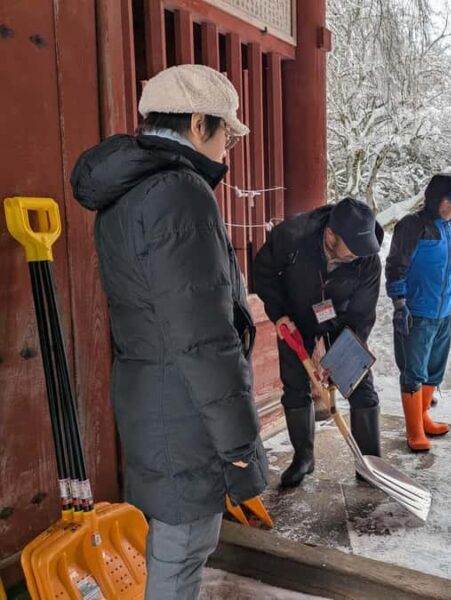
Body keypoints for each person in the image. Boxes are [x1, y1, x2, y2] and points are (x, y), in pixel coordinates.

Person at [71, 64, 268, 599]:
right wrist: (240, 443)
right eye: (226, 130)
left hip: (153, 394)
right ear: (199, 122)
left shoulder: (130, 189)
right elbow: (202, 336)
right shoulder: (181, 191)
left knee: (175, 545)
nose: (229, 144)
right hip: (185, 404)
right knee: (182, 552)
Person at [254, 198, 383, 487]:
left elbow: (363, 315)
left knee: (362, 385)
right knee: (295, 386)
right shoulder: (291, 237)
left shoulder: (367, 257)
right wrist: (278, 314)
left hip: (342, 321)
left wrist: (338, 356)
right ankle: (303, 458)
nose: (360, 256)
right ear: (330, 236)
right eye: (353, 250)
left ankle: (372, 465)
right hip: (295, 315)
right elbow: (262, 273)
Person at [386, 173, 451, 452]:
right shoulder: (412, 226)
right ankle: (413, 430)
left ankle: (423, 417)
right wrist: (399, 304)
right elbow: (396, 266)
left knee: (434, 369)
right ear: (436, 198)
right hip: (417, 312)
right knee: (414, 370)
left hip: (443, 312)